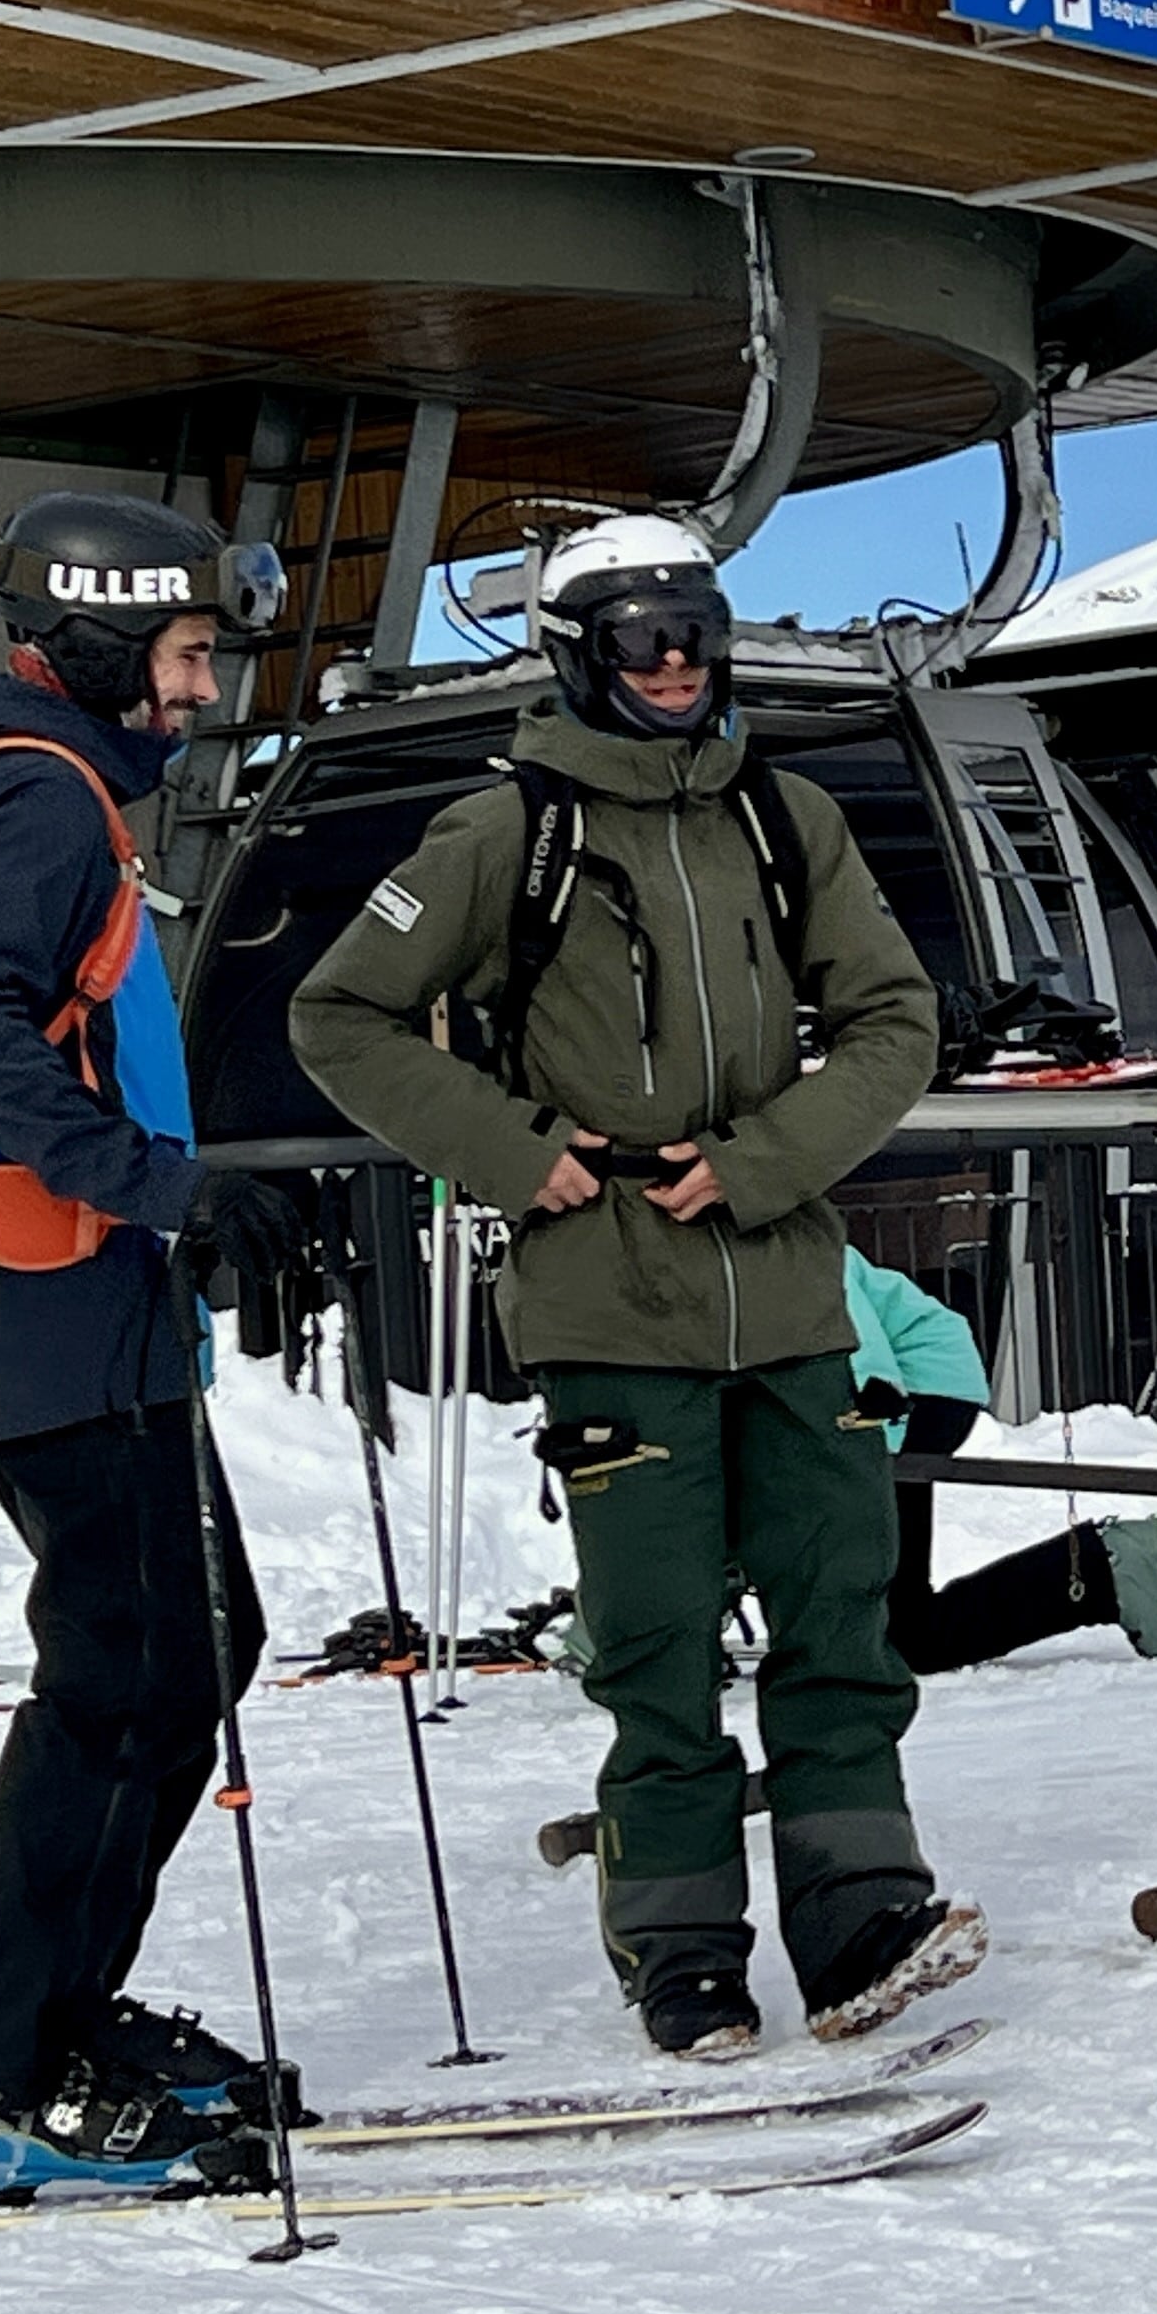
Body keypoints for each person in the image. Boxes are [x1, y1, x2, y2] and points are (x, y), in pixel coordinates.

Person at [293, 513, 965, 2061]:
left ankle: (862, 1907)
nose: (676, 662)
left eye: (697, 631)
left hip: (786, 1291)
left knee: (838, 1611)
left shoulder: (788, 821)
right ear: (579, 655)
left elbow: (891, 1019)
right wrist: (520, 1152)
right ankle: (680, 1947)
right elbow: (342, 1016)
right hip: (610, 1304)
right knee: (657, 1641)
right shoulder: (500, 836)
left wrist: (770, 1158)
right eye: (641, 637)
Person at [0, 491, 314, 2199]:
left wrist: (178, 1199)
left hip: (78, 1294)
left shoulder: (48, 790)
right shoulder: (41, 799)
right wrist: (161, 1190)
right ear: (114, 645)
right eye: (191, 655)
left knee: (181, 1653)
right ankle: (1, 2084)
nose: (202, 692)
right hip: (39, 1296)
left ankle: (44, 2031)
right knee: (130, 1679)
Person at [841, 1248, 1157, 1671]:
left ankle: (1104, 1568)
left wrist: (875, 1408)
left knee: (903, 1633)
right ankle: (1104, 1566)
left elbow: (846, 1322)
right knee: (897, 1627)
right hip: (909, 1395)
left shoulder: (790, 1243)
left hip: (917, 1394)